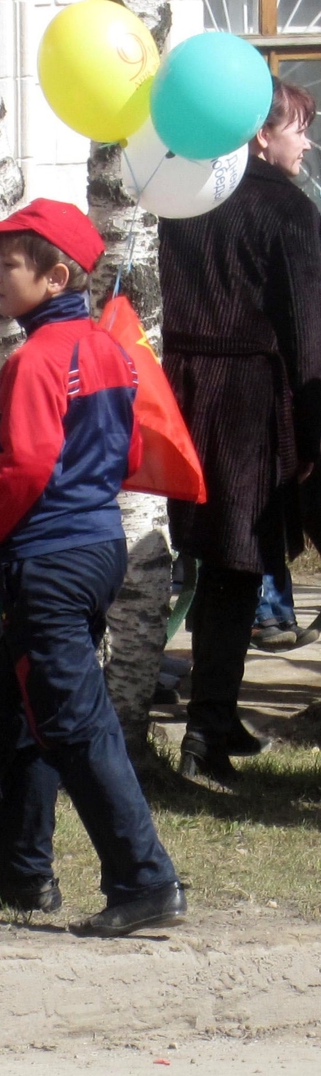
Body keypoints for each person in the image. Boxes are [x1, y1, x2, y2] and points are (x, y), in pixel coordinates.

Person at [0, 200, 185, 938]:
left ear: (55, 276)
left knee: (75, 722)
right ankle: (23, 872)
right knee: (16, 710)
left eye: (7, 261)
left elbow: (24, 464)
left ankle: (145, 879)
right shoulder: (113, 350)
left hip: (48, 552)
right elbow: (124, 450)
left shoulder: (34, 360)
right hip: (92, 545)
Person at [160, 78, 321, 787]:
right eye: (298, 128)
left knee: (222, 561)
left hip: (190, 392)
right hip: (249, 399)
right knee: (237, 556)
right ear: (260, 134)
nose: (307, 143)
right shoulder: (282, 205)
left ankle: (213, 716)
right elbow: (307, 329)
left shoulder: (185, 197)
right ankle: (206, 723)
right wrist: (314, 436)